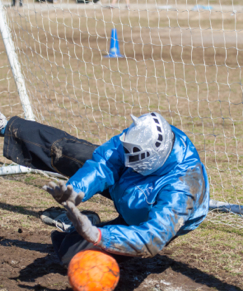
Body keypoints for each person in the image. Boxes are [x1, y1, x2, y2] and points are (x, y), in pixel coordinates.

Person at [0, 111, 209, 267]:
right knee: (69, 151)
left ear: (153, 159)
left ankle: (86, 225)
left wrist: (98, 235)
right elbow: (105, 164)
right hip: (129, 187)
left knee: (72, 257)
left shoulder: (182, 189)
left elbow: (152, 236)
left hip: (144, 212)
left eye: (134, 162)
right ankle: (5, 127)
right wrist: (75, 189)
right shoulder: (140, 135)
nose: (126, 163)